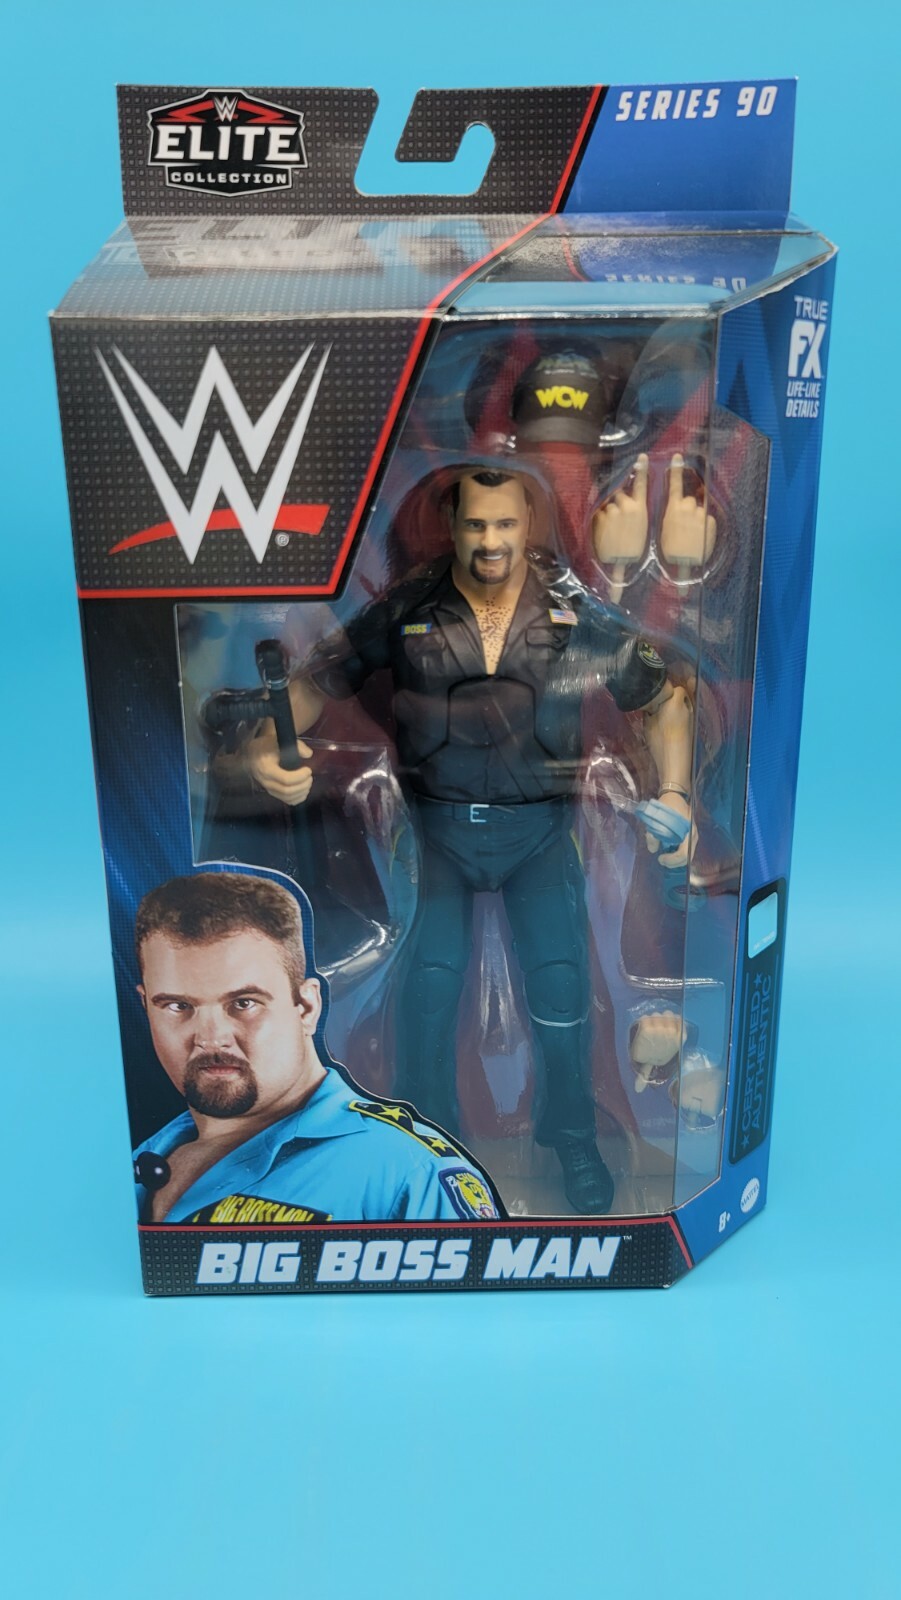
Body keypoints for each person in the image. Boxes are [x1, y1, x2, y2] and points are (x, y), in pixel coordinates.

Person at [243, 469, 697, 1214]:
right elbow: (316, 680)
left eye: (505, 525)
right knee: (425, 994)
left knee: (561, 991)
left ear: (528, 527)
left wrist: (675, 792)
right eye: (476, 525)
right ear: (453, 528)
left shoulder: (567, 609)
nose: (491, 541)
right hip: (437, 834)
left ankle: (571, 1136)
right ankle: (428, 1144)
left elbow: (664, 696)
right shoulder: (409, 606)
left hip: (540, 831)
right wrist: (269, 745)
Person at [132, 872, 501, 1225]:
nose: (211, 1037)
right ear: (146, 1006)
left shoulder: (408, 1173)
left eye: (243, 1003)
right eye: (178, 1006)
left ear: (307, 1007)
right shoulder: (128, 1160)